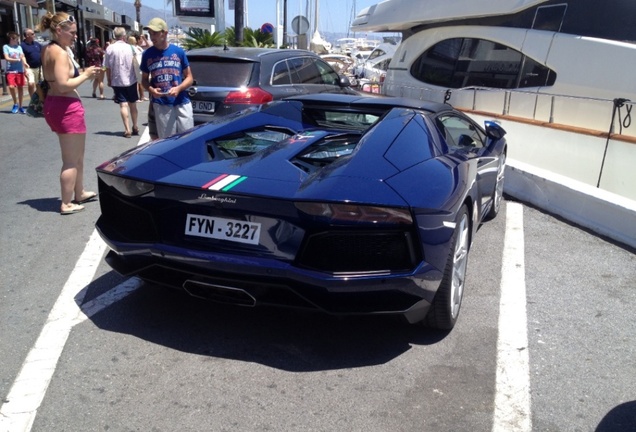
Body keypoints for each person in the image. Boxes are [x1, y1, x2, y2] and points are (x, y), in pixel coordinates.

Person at [39, 12, 100, 215]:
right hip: (66, 108)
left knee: (77, 156)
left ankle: (79, 191)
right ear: (59, 30)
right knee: (71, 160)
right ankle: (66, 202)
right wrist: (85, 75)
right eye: (72, 33)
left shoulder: (48, 49)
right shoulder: (60, 53)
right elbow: (64, 84)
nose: (75, 36)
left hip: (55, 104)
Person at [141, 18, 194, 139]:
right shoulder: (147, 55)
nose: (152, 37)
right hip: (162, 104)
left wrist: (179, 88)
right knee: (168, 142)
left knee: (187, 139)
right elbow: (144, 79)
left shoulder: (178, 52)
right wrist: (151, 90)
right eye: (150, 34)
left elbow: (189, 77)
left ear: (164, 33)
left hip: (182, 102)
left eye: (155, 33)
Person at [103, 27, 139, 138]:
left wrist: (109, 79)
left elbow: (107, 67)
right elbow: (138, 64)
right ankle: (135, 126)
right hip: (131, 80)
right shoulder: (132, 48)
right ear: (124, 36)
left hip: (117, 80)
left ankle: (127, 129)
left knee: (123, 105)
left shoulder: (110, 48)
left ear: (114, 36)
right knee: (133, 104)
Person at [3, 32, 29, 114]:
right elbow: (7, 58)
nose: (17, 40)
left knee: (20, 87)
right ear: (11, 39)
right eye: (15, 39)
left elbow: (22, 56)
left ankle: (21, 106)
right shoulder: (6, 47)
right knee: (11, 86)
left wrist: (25, 63)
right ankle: (15, 103)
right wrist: (18, 59)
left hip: (19, 70)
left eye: (17, 39)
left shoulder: (19, 47)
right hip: (11, 70)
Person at [21, 28, 43, 99]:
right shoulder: (22, 45)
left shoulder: (37, 44)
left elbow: (43, 52)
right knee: (31, 83)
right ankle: (32, 99)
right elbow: (22, 56)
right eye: (32, 34)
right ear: (27, 35)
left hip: (39, 68)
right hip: (29, 68)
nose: (34, 35)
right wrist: (24, 66)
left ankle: (40, 99)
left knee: (39, 85)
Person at [128, 35, 146, 102]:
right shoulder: (132, 48)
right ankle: (139, 96)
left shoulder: (137, 47)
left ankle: (142, 96)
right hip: (136, 65)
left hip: (138, 65)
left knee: (140, 81)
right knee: (138, 81)